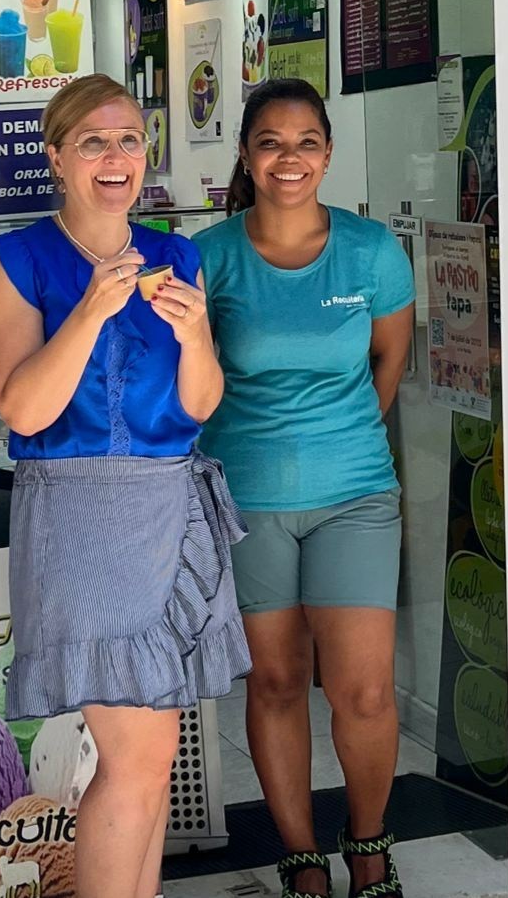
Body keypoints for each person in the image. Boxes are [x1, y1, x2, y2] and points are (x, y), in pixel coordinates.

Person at [0, 74, 249, 898]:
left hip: (170, 506)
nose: (115, 156)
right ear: (57, 157)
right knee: (134, 757)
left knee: (152, 760)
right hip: (79, 510)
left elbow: (201, 402)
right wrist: (90, 311)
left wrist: (194, 336)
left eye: (128, 139)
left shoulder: (178, 256)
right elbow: (23, 407)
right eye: (92, 142)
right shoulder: (17, 260)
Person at [196, 79, 416, 898]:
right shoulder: (209, 257)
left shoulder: (370, 251)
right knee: (277, 681)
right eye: (270, 142)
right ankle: (301, 859)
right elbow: (191, 377)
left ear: (326, 152)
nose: (288, 158)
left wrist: (339, 437)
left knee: (362, 689)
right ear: (245, 155)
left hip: (354, 492)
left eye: (306, 142)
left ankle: (369, 844)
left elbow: (389, 359)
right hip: (245, 496)